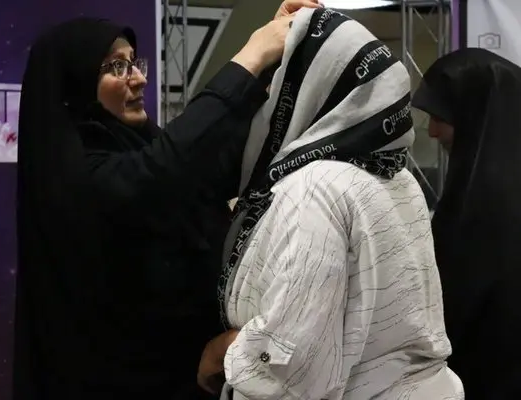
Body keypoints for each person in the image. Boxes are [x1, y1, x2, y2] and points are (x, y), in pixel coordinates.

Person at [13, 1, 321, 399]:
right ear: (75, 86)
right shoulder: (72, 179)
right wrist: (253, 53)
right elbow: (163, 171)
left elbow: (215, 160)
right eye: (116, 67)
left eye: (133, 62)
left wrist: (271, 60)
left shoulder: (134, 147)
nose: (139, 78)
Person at [198, 7, 464, 399]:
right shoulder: (397, 176)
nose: (266, 97)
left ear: (309, 89)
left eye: (277, 81)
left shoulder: (314, 187)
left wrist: (224, 351)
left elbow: (296, 365)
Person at [412, 47, 521, 399]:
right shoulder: (479, 189)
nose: (432, 131)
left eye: (441, 116)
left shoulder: (488, 202)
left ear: (476, 113)